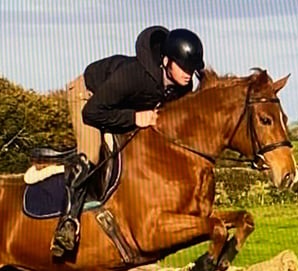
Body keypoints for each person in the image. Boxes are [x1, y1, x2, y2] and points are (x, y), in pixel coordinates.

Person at [51, 25, 205, 257]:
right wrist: (135, 117)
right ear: (166, 61)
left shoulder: (183, 88)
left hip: (117, 106)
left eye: (192, 69)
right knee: (92, 154)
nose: (187, 73)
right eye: (183, 67)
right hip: (88, 96)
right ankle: (68, 224)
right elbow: (92, 112)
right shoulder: (135, 75)